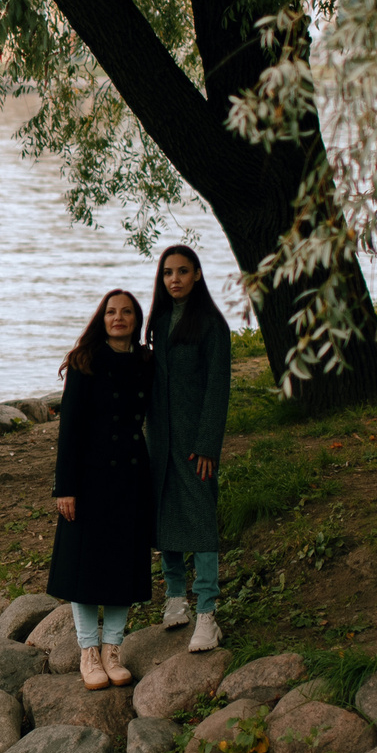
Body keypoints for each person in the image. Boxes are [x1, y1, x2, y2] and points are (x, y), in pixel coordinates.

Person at [49, 288, 155, 689]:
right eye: (111, 311)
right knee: (84, 566)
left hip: (131, 475)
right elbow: (70, 429)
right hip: (89, 477)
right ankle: (89, 652)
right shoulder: (85, 361)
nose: (118, 317)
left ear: (136, 319)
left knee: (123, 563)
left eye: (126, 311)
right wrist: (66, 487)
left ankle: (113, 649)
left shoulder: (146, 362)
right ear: (102, 318)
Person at [147, 244, 231, 652]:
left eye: (182, 271)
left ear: (197, 274)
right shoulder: (159, 322)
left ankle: (207, 612)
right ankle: (175, 596)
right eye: (168, 273)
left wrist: (208, 444)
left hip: (196, 442)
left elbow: (218, 388)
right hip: (161, 439)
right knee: (166, 516)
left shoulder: (212, 324)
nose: (174, 279)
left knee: (200, 520)